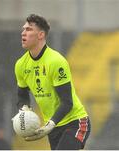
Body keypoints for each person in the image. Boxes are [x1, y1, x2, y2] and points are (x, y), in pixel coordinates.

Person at [14, 14, 91, 150]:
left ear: (41, 35)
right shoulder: (21, 65)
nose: (23, 33)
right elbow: (22, 94)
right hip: (54, 128)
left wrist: (50, 124)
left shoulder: (56, 61)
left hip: (75, 122)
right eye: (23, 29)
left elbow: (67, 102)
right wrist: (24, 108)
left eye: (29, 29)